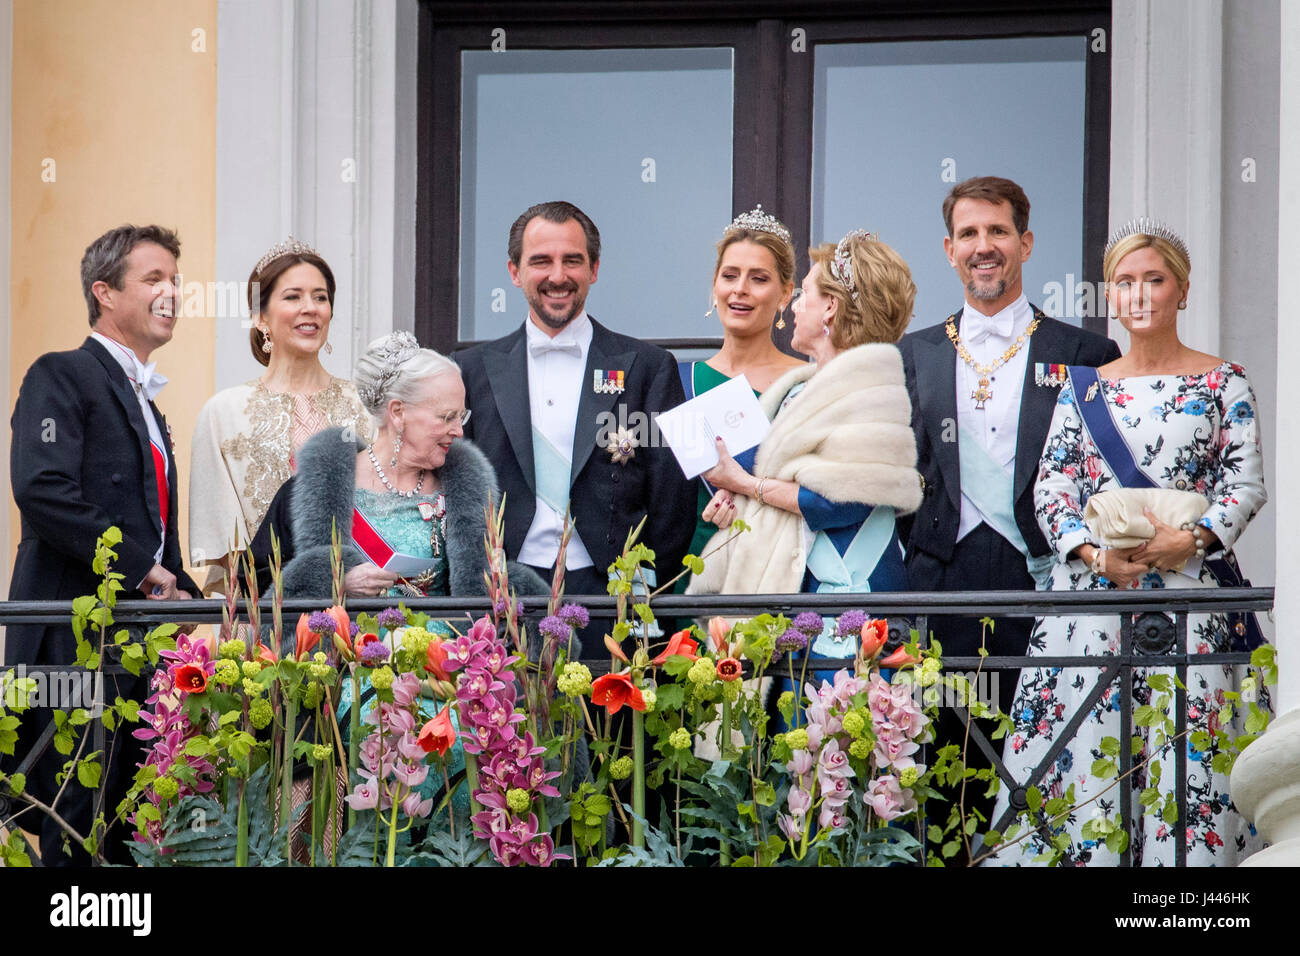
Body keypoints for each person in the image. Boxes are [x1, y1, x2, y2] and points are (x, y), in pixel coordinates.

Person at [988, 219, 1268, 866]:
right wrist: (1093, 555)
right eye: (1125, 282)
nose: (1140, 295)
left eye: (1154, 280)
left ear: (1183, 290)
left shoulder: (1224, 382)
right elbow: (1050, 488)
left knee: (1184, 758)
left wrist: (1193, 540)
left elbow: (1244, 482)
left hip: (1191, 600)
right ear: (1108, 295)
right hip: (1093, 605)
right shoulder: (1083, 388)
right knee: (1089, 754)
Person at [5, 225, 200, 864]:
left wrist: (195, 599)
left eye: (175, 279)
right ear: (104, 293)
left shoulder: (146, 398)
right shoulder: (59, 374)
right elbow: (43, 490)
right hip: (70, 640)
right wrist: (144, 570)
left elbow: (154, 527)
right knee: (75, 818)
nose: (171, 292)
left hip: (137, 637)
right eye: (153, 279)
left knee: (132, 819)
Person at [899, 177, 1120, 679]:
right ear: (949, 249)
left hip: (1046, 573)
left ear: (1025, 243)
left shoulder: (1086, 356)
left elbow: (1100, 476)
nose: (983, 247)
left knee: (1046, 742)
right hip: (939, 586)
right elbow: (904, 475)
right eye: (969, 233)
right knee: (942, 743)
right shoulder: (912, 355)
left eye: (997, 231)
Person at [687, 231, 922, 675]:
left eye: (805, 295)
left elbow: (836, 500)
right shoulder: (802, 388)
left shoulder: (871, 389)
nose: (795, 306)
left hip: (851, 604)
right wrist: (738, 501)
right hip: (799, 602)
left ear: (830, 307)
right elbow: (789, 477)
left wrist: (745, 485)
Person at [454, 201, 694, 626]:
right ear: (514, 272)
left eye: (573, 261)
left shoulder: (648, 367)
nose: (558, 276)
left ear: (595, 268)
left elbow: (672, 500)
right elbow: (457, 490)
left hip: (613, 598)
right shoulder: (470, 371)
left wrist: (640, 589)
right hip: (503, 596)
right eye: (541, 261)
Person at [248, 331, 547, 617]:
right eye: (446, 417)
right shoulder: (311, 492)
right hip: (346, 664)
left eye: (461, 416)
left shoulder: (468, 498)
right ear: (398, 412)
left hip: (446, 663)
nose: (459, 430)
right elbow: (256, 588)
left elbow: (492, 589)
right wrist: (336, 585)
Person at [189, 238, 371, 594]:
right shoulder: (223, 412)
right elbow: (225, 549)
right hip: (262, 616)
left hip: (361, 615)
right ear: (260, 317)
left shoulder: (365, 405)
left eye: (320, 297)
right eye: (293, 297)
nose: (311, 308)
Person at [677, 206, 805, 579]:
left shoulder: (807, 382)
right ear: (714, 287)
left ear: (785, 294)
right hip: (694, 567)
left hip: (778, 571)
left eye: (758, 278)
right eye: (730, 275)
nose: (740, 289)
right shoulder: (680, 382)